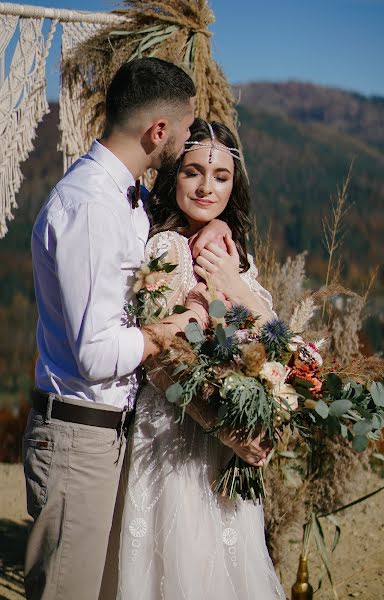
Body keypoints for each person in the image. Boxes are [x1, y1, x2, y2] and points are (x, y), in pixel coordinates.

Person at [23, 58, 268, 600]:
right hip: (84, 432)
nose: (185, 152)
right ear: (159, 132)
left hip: (118, 434)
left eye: (219, 173)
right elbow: (95, 353)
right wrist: (173, 328)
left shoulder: (126, 202)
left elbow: (175, 224)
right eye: (183, 140)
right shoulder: (90, 206)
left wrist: (217, 224)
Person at [118, 119, 286, 599]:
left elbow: (275, 339)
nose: (206, 187)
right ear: (173, 178)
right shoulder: (165, 248)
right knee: (184, 560)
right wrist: (231, 431)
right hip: (177, 426)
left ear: (235, 185)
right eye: (193, 172)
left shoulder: (235, 254)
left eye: (221, 177)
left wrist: (234, 285)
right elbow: (164, 357)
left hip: (226, 435)